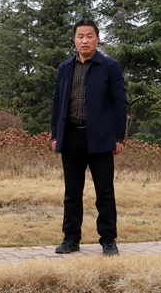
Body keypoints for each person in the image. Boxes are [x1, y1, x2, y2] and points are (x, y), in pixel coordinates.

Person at [50, 18, 127, 256]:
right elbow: (56, 103)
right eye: (80, 36)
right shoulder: (65, 68)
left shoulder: (109, 66)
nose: (85, 40)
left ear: (97, 38)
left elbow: (120, 102)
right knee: (72, 193)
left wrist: (119, 138)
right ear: (74, 39)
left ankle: (108, 240)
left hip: (101, 138)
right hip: (71, 136)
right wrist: (55, 135)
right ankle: (70, 239)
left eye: (89, 36)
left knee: (105, 191)